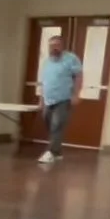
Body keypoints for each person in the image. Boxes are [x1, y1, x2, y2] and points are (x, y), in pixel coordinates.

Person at [36, 34, 82, 163]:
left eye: (57, 45)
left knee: (57, 125)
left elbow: (78, 76)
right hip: (48, 99)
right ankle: (57, 152)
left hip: (63, 99)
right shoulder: (46, 62)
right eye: (51, 46)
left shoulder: (71, 59)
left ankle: (50, 152)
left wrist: (76, 94)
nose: (54, 48)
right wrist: (41, 100)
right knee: (49, 124)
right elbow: (43, 82)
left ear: (62, 46)